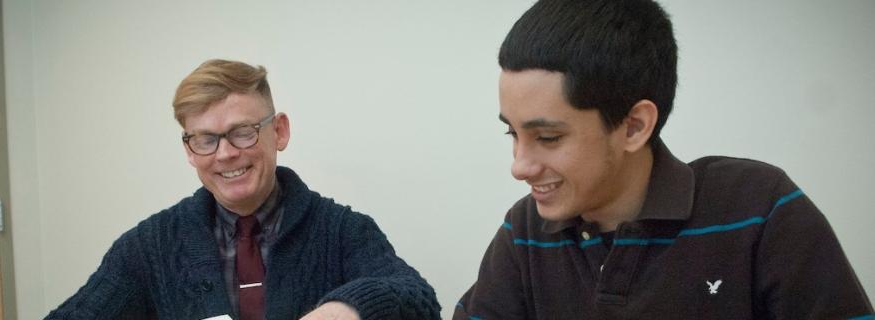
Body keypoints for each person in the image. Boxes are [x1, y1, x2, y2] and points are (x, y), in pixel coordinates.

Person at [454, 0, 873, 319]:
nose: (519, 166)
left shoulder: (760, 210)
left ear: (634, 126)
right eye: (513, 133)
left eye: (547, 137)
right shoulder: (525, 231)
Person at [46, 59, 441, 320]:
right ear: (189, 149)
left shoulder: (343, 231)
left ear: (279, 131)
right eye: (205, 139)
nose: (226, 154)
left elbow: (420, 301)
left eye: (242, 133)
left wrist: (346, 308)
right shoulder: (148, 247)